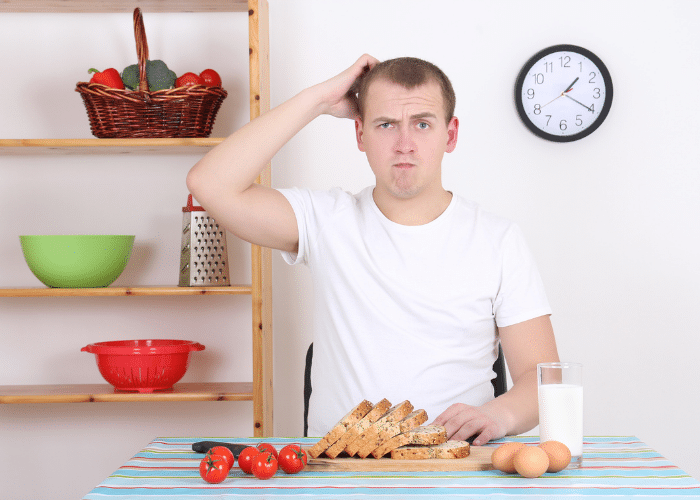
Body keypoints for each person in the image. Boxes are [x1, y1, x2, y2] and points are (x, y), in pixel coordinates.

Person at [186, 54, 560, 445]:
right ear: (360, 134)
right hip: (341, 469)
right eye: (386, 125)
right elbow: (209, 183)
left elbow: (542, 377)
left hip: (457, 464)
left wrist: (498, 414)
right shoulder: (326, 220)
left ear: (450, 135)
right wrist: (319, 101)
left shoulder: (498, 239)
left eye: (422, 124)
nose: (405, 145)